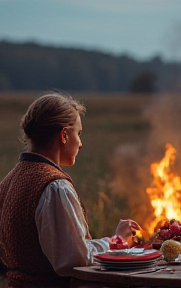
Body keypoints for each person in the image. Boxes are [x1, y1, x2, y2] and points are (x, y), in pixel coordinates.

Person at [0, 92, 141, 288]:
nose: (81, 143)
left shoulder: (9, 181)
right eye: (79, 133)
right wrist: (116, 241)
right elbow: (74, 260)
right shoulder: (54, 188)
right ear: (64, 135)